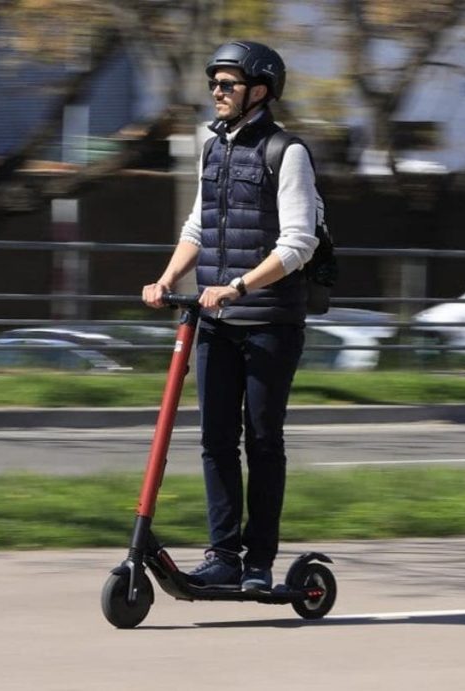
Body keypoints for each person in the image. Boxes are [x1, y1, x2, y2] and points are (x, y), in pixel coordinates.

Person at [142, 40, 319, 592]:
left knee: (262, 441)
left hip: (270, 321)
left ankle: (259, 561)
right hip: (214, 321)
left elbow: (298, 244)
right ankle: (223, 555)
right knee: (215, 440)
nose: (216, 92)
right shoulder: (212, 147)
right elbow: (198, 228)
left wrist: (238, 287)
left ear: (259, 91)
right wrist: (167, 280)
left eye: (227, 84)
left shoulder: (286, 152)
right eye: (213, 84)